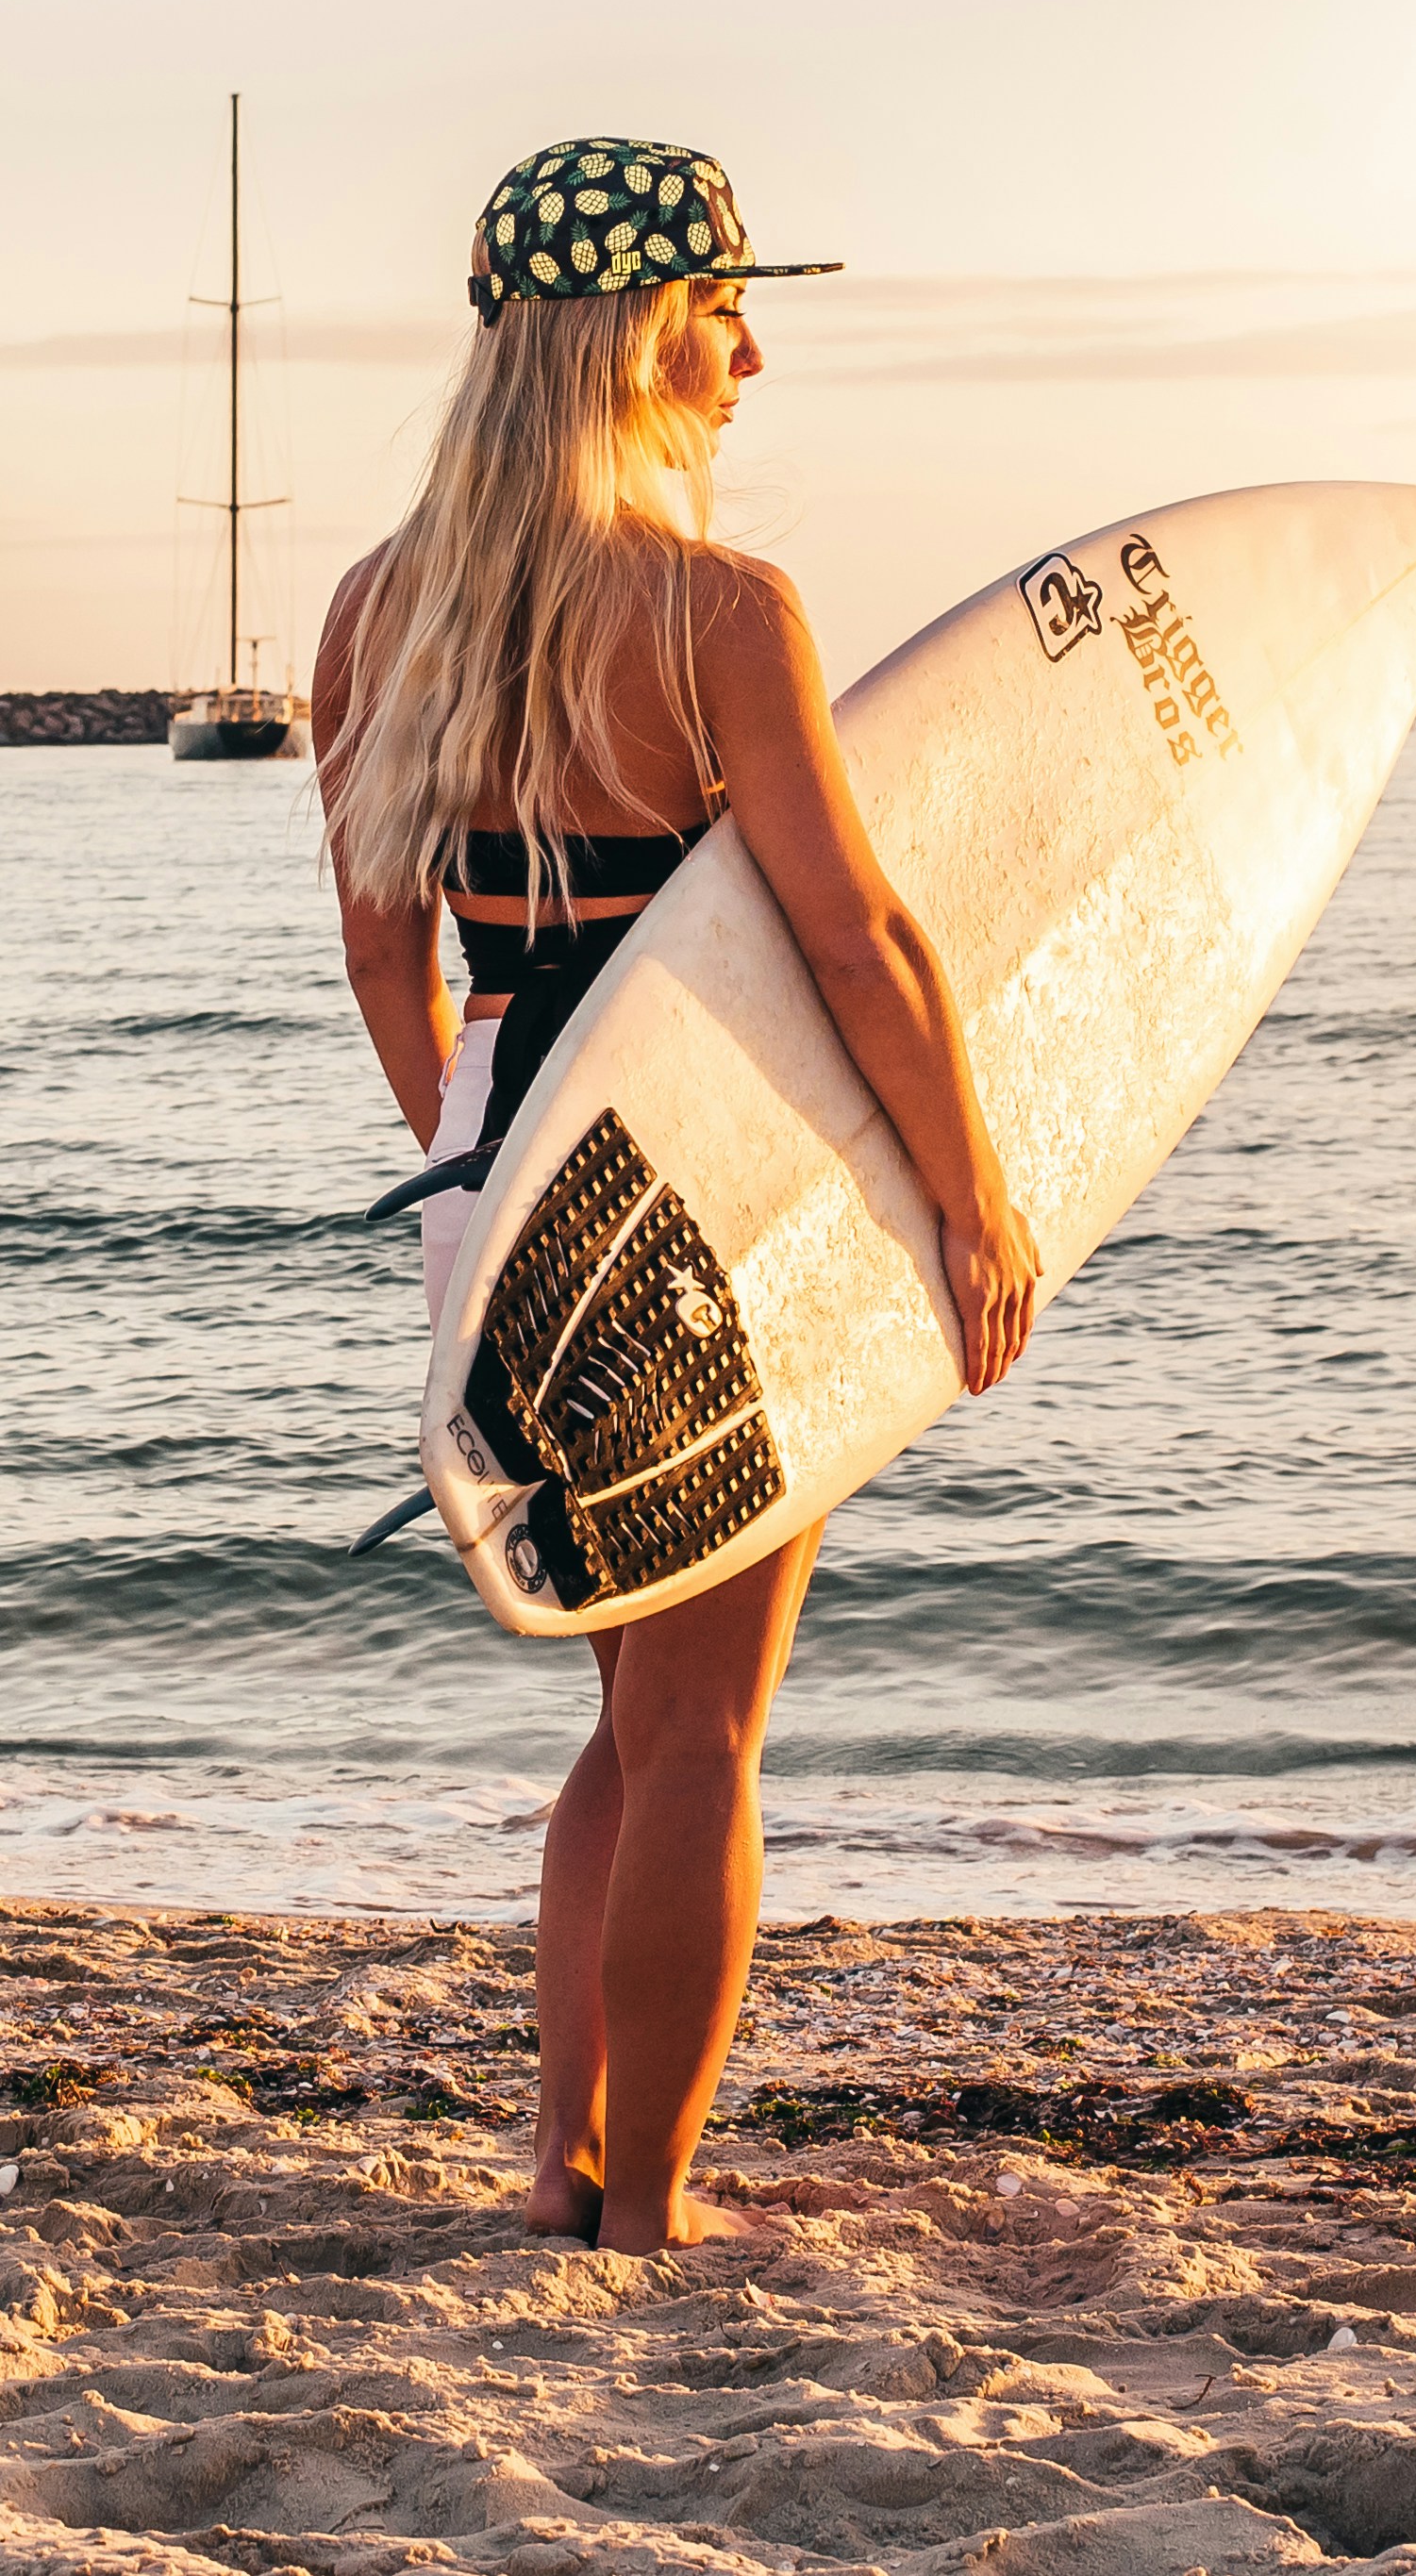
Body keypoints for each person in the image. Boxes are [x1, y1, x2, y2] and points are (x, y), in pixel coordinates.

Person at [312, 136, 1040, 2252]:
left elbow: (386, 954)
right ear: (639, 335)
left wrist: (480, 1179)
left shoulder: (379, 608)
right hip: (698, 1186)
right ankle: (646, 2219)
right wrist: (975, 1199)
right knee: (705, 1728)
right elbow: (858, 944)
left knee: (631, 1719)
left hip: (516, 1182)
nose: (750, 346)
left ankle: (562, 2162)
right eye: (723, 302)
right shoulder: (721, 610)